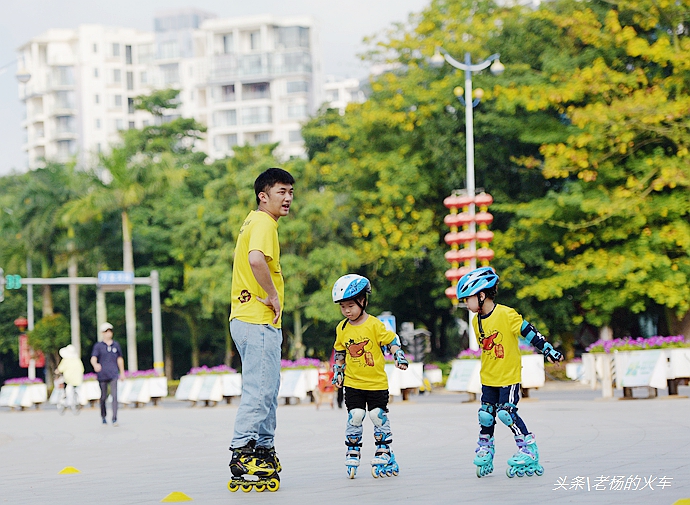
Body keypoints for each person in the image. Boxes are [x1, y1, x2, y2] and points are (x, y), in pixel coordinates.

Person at [456, 267, 563, 478]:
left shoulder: (506, 314)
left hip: (509, 378)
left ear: (481, 295)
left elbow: (528, 332)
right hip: (489, 378)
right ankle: (486, 448)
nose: (465, 304)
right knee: (486, 415)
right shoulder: (476, 321)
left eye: (467, 299)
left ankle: (528, 449)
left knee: (506, 413)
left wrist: (547, 349)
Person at [227, 167, 294, 493]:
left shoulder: (252, 221)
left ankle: (263, 449)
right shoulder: (265, 223)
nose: (288, 198)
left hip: (249, 319)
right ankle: (242, 452)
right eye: (281, 191)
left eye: (291, 192)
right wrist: (272, 295)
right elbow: (256, 260)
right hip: (257, 319)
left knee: (267, 388)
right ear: (263, 196)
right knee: (259, 389)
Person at [331, 274, 409, 479]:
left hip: (376, 383)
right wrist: (338, 371)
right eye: (342, 307)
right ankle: (353, 449)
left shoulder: (375, 324)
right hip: (353, 383)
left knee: (377, 415)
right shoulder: (342, 328)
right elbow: (340, 352)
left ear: (363, 301)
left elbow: (392, 340)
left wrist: (398, 355)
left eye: (350, 306)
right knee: (355, 416)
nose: (346, 310)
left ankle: (384, 450)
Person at [90, 322, 125, 427]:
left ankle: (114, 418)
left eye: (110, 331)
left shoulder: (116, 345)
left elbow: (120, 359)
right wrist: (95, 365)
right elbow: (93, 358)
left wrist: (122, 372)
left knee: (115, 396)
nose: (108, 333)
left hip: (113, 373)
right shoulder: (98, 346)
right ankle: (103, 416)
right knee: (103, 396)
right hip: (102, 374)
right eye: (106, 331)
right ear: (102, 333)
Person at [56, 344, 84, 409]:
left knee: (67, 389)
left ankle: (66, 402)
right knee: (78, 389)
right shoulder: (77, 360)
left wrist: (57, 372)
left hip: (68, 378)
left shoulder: (65, 360)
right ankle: (79, 401)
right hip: (78, 378)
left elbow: (60, 369)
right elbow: (82, 369)